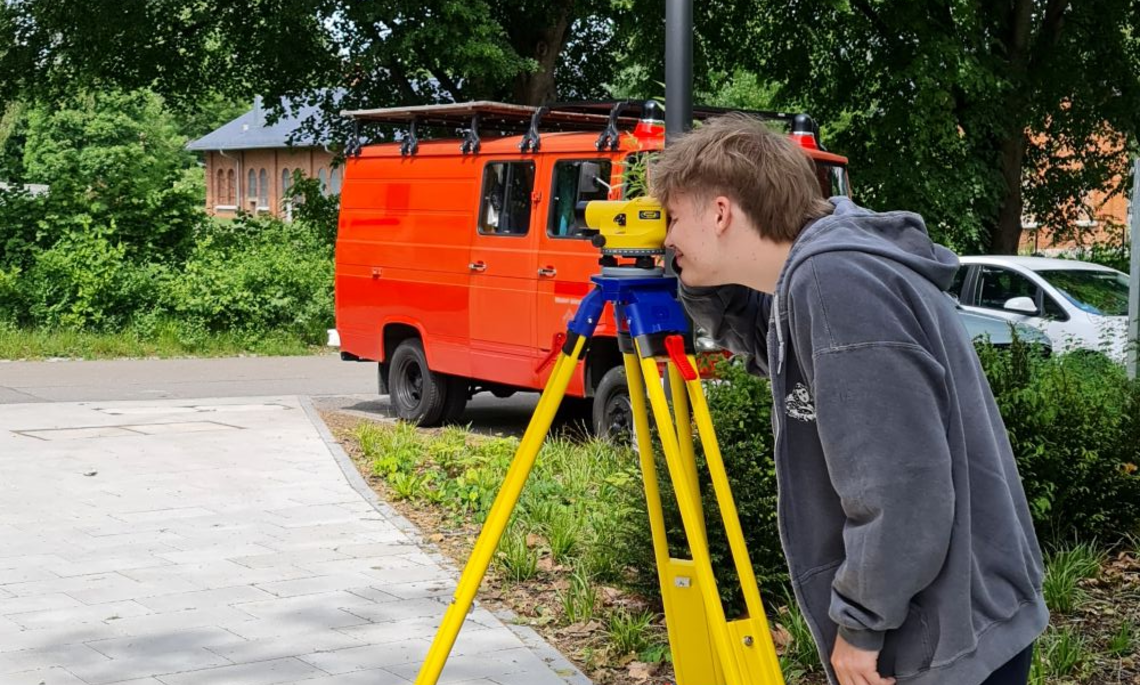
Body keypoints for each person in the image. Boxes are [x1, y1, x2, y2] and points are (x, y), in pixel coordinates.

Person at [651, 114, 1048, 685]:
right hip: (959, 625)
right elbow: (773, 346)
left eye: (671, 218)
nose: (665, 238)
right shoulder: (829, 269)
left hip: (940, 643)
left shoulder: (836, 282)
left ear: (720, 212)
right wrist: (699, 285)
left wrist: (861, 627)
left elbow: (902, 481)